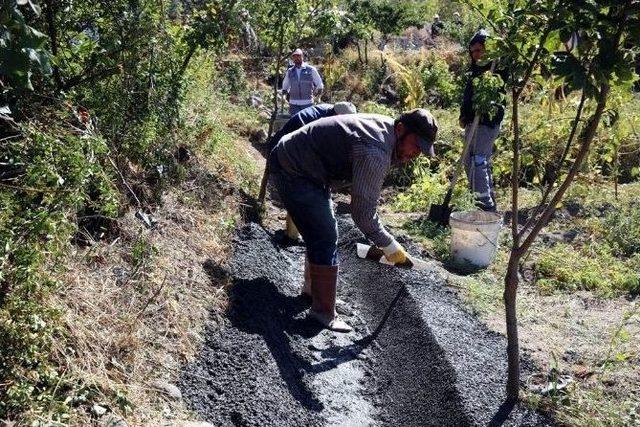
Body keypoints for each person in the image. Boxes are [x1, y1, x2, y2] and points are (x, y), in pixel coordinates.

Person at [269, 109, 438, 332]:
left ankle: (314, 293)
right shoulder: (376, 150)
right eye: (416, 145)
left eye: (422, 150)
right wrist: (388, 244)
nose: (417, 153)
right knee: (324, 234)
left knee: (322, 230)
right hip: (293, 167)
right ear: (400, 130)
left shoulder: (387, 133)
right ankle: (322, 312)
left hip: (307, 165)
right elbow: (362, 213)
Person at [269, 102, 357, 241]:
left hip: (293, 149)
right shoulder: (324, 122)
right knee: (300, 190)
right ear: (338, 115)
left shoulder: (328, 113)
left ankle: (300, 231)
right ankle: (292, 235)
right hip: (285, 150)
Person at [458, 29, 508, 212]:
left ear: (488, 49)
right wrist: (464, 114)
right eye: (473, 51)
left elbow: (499, 93)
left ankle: (484, 205)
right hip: (473, 122)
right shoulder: (474, 71)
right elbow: (468, 96)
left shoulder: (498, 68)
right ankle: (481, 198)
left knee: (478, 160)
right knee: (468, 161)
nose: (476, 54)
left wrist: (502, 43)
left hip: (488, 122)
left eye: (479, 50)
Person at [281, 48, 324, 115]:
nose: (296, 58)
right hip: (293, 104)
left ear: (302, 57)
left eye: (298, 56)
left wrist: (318, 97)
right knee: (295, 124)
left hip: (308, 103)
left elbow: (319, 84)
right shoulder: (290, 71)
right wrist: (284, 97)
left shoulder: (311, 70)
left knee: (307, 124)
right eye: (294, 56)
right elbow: (285, 86)